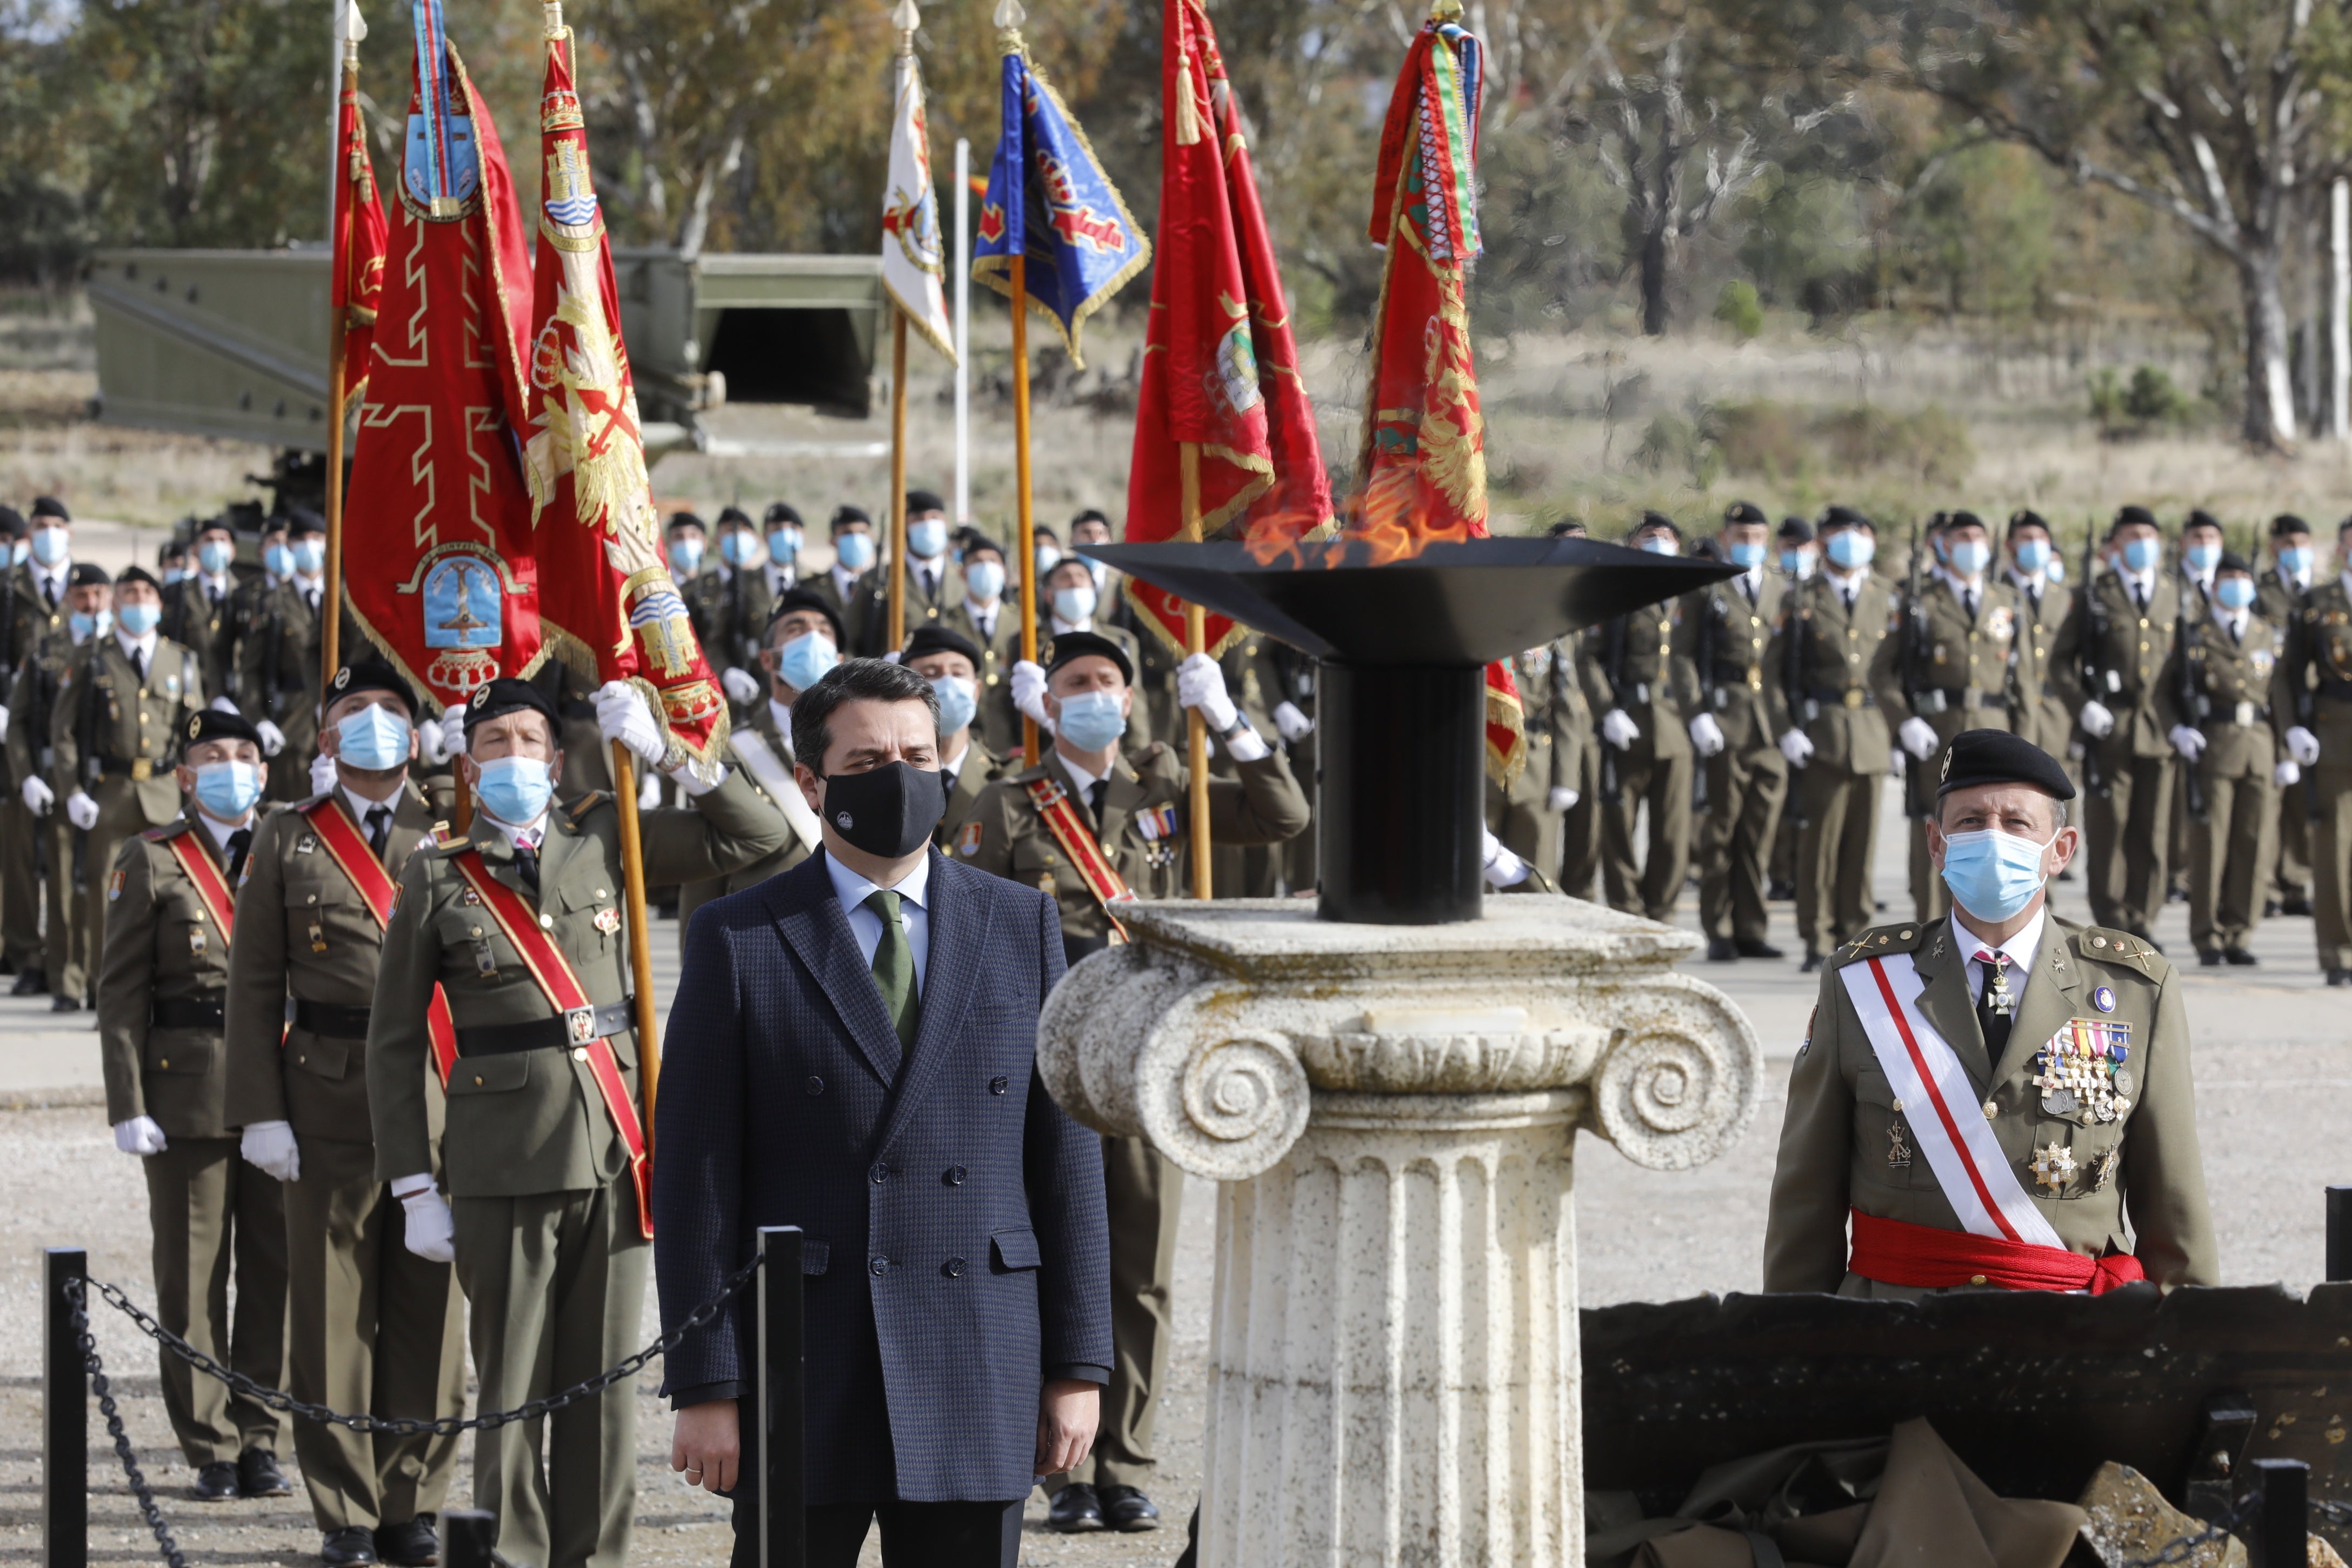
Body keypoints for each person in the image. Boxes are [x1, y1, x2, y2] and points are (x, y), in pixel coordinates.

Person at [656, 657, 1111, 1568]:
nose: (900, 775)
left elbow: (1063, 1160)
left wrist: (1078, 1367)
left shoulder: (1020, 924)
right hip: (807, 1355)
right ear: (816, 782)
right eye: (867, 761)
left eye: (917, 752)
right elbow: (697, 1174)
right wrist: (707, 1381)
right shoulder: (741, 935)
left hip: (976, 1347)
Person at [367, 677, 787, 1568]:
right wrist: (413, 1180)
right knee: (512, 1387)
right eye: (494, 743)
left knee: (599, 1386)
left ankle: (593, 1555)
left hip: (614, 1147)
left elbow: (761, 836)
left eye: (530, 739)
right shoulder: (438, 871)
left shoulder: (610, 832)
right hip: (497, 1162)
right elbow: (395, 1042)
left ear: (557, 759)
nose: (514, 755)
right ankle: (511, 1554)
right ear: (468, 764)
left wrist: (679, 758)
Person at [962, 632, 1306, 1536]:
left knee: (1139, 1267)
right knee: (1044, 1259)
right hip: (1047, 1063)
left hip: (1148, 1060)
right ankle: (1055, 1467)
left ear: (1131, 698)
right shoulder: (1009, 806)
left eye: (1107, 683)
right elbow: (969, 931)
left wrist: (1230, 722)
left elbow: (1282, 816)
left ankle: (1123, 1461)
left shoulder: (1169, 788)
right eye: (1075, 683)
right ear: (1045, 700)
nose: (1093, 696)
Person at [1762, 728, 2219, 1297]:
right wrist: (1795, 1357)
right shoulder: (1858, 984)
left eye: (2017, 823)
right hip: (1894, 1339)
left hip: (2070, 1339)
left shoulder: (2133, 989)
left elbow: (2173, 1209)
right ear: (1936, 844)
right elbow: (1805, 1205)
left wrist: (2194, 1360)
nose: (1992, 837)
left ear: (2061, 849)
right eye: (1971, 822)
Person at [222, 658, 465, 1567]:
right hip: (323, 1095)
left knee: (428, 1311)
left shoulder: (453, 826)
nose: (375, 724)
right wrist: (259, 1111)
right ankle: (347, 1511)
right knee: (330, 1317)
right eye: (355, 711)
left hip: (439, 1098)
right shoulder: (288, 836)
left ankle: (415, 1499)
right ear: (325, 738)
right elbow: (252, 988)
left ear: (417, 731)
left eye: (392, 710)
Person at [97, 708, 292, 1499]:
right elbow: (119, 993)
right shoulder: (149, 860)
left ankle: (260, 1435)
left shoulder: (291, 845)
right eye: (213, 756)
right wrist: (127, 1100)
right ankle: (209, 1442)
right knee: (192, 1279)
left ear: (267, 771)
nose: (231, 767)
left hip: (282, 1090)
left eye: (245, 754)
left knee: (275, 1273)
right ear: (185, 776)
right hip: (188, 1091)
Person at [51, 564, 209, 1011]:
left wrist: (193, 794)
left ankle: (167, 987)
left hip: (164, 791)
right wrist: (73, 789)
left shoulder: (180, 659)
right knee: (107, 893)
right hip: (111, 792)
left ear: (160, 604)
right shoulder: (91, 656)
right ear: (115, 602)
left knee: (171, 894)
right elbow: (62, 729)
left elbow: (192, 735)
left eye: (147, 592)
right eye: (129, 592)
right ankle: (108, 990)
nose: (139, 600)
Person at [2050, 505, 2186, 945]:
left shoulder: (2173, 592)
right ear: (2115, 545)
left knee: (2152, 830)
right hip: (2109, 729)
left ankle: (2143, 919)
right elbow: (2060, 662)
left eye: (2149, 534)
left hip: (2159, 729)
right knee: (2109, 827)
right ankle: (2110, 920)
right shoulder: (2095, 594)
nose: (2142, 543)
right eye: (2131, 535)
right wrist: (2082, 706)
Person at [1882, 511, 2024, 925]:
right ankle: (1935, 932)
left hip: (1998, 732)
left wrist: (2028, 742)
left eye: (1978, 537)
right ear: (1944, 545)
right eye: (1962, 537)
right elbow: (1882, 670)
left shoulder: (2006, 600)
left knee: (1998, 837)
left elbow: (2025, 683)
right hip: (1939, 736)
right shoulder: (1919, 602)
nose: (1971, 545)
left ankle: (1994, 932)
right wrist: (1904, 720)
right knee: (1940, 836)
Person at [1774, 506, 1900, 971]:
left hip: (1870, 731)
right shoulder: (1800, 598)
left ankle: (1857, 936)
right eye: (1841, 533)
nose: (1852, 541)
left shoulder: (1886, 597)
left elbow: (1896, 672)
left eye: (1859, 532)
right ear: (1823, 540)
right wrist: (1785, 727)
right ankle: (1817, 936)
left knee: (1860, 845)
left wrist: (1901, 727)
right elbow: (1774, 675)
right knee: (1819, 845)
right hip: (1821, 731)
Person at [1678, 501, 1789, 960]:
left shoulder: (1783, 589)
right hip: (1726, 721)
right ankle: (1718, 927)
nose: (1749, 545)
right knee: (1721, 831)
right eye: (1741, 537)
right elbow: (1682, 657)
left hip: (1773, 728)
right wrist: (1697, 713)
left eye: (1757, 538)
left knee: (1759, 832)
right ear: (1725, 539)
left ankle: (1751, 927)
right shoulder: (1708, 588)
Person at [2175, 553, 2293, 967]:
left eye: (2243, 578)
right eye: (2228, 578)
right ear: (2213, 587)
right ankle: (2206, 934)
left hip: (2259, 747)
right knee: (2211, 847)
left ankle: (2239, 931)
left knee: (2254, 844)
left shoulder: (2266, 632)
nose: (2237, 585)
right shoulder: (2195, 633)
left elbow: (2279, 696)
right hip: (2215, 745)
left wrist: (2284, 752)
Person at [1583, 512, 1694, 924]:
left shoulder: (1690, 595)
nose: (1659, 543)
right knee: (1619, 828)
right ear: (1632, 545)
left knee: (1672, 833)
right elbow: (1588, 658)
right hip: (1629, 724)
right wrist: (1607, 710)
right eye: (1649, 537)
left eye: (1667, 537)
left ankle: (1661, 913)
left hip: (1677, 727)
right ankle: (1626, 912)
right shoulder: (1616, 594)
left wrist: (1701, 715)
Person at [2, 502, 70, 990]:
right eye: (41, 527)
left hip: (72, 736)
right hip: (17, 732)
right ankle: (26, 952)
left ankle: (66, 956)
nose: (49, 535)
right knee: (21, 848)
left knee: (68, 850)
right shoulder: (8, 590)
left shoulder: (86, 590)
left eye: (57, 528)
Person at [2283, 517, 2352, 985]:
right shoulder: (2316, 605)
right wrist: (2292, 731)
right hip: (2334, 736)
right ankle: (2337, 949)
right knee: (2334, 848)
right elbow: (2287, 675)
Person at [238, 510, 329, 799]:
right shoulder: (271, 602)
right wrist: (259, 717)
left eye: (316, 538)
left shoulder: (344, 597)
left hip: (345, 721)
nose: (310, 546)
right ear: (289, 545)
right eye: (301, 539)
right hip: (292, 725)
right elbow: (251, 668)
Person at [1022, 557, 1150, 750]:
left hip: (1111, 752)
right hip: (1046, 754)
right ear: (1049, 595)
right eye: (1065, 578)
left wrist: (1138, 755)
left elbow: (1135, 703)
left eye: (1081, 577)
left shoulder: (1121, 640)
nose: (1074, 582)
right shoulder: (1028, 642)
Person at [2258, 514, 2318, 918]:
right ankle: (2265, 887)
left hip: (2316, 699)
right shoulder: (2261, 592)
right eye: (2286, 543)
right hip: (2271, 699)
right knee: (2270, 802)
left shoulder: (2320, 591)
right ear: (2273, 547)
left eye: (2300, 542)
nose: (2294, 551)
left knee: (2303, 800)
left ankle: (2296, 881)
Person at [904, 623, 1007, 849]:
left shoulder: (1005, 777)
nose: (948, 683)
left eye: (958, 673)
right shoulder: (891, 777)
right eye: (931, 674)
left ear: (977, 690)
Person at [2002, 510, 2075, 778]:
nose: (2035, 544)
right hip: (2010, 716)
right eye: (2027, 538)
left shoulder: (2066, 596)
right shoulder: (1995, 592)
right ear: (2009, 545)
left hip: (2057, 719)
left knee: (2061, 808)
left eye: (2041, 538)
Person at [940, 536, 1025, 758]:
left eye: (993, 560)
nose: (986, 566)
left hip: (1013, 744)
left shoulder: (1025, 623)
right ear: (963, 573)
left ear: (1005, 573)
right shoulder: (945, 624)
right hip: (963, 744)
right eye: (977, 561)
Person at [854, 489, 957, 653]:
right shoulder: (877, 579)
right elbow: (855, 640)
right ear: (903, 526)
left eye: (934, 518)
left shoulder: (964, 578)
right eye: (918, 519)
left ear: (946, 522)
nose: (927, 525)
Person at [162, 516, 242, 704]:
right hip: (190, 693)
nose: (216, 546)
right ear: (196, 549)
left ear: (233, 550)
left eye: (223, 540)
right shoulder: (176, 594)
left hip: (233, 695)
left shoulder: (244, 595)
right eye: (209, 540)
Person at [809, 505, 879, 653]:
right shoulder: (812, 588)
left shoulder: (882, 585)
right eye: (847, 533)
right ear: (833, 541)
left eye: (862, 532)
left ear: (871, 538)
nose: (856, 539)